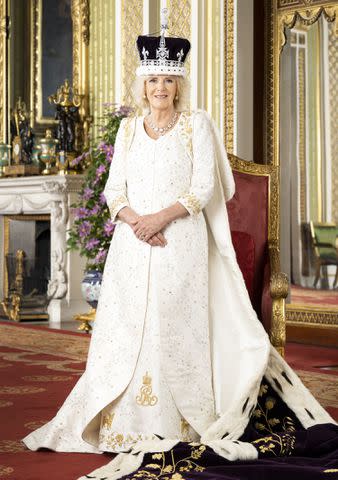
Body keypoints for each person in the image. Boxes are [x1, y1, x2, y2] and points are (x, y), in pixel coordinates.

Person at [23, 10, 336, 480]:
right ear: (142, 86)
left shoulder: (197, 126)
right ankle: (120, 426)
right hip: (132, 246)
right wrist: (135, 221)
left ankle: (182, 419)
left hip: (180, 242)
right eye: (153, 81)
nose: (160, 89)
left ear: (179, 85)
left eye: (168, 81)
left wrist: (158, 219)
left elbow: (205, 188)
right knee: (132, 330)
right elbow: (113, 192)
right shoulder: (128, 130)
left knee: (171, 326)